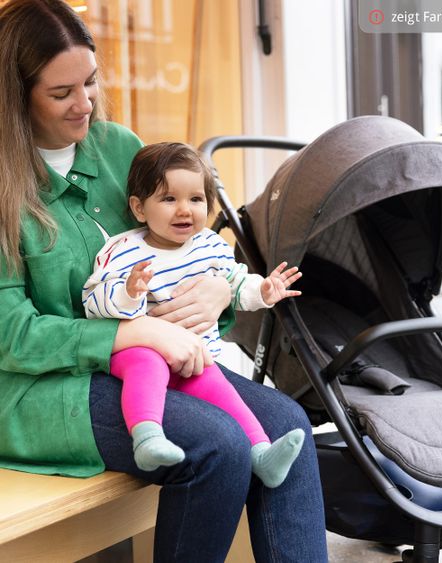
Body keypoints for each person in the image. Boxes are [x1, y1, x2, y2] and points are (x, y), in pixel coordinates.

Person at [0, 1, 328, 561]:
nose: (86, 104)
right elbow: (11, 333)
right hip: (41, 387)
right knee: (218, 446)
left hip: (150, 365)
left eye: (92, 82)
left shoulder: (119, 148)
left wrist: (220, 291)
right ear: (14, 95)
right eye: (62, 94)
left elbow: (182, 246)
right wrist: (134, 335)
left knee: (287, 426)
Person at [82, 142, 305, 486]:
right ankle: (147, 437)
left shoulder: (210, 247)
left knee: (223, 390)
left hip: (193, 357)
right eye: (169, 199)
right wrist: (128, 292)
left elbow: (236, 282)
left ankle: (261, 453)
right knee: (147, 364)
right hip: (138, 351)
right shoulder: (124, 250)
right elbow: (93, 301)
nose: (184, 210)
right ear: (139, 208)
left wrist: (262, 291)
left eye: (196, 199)